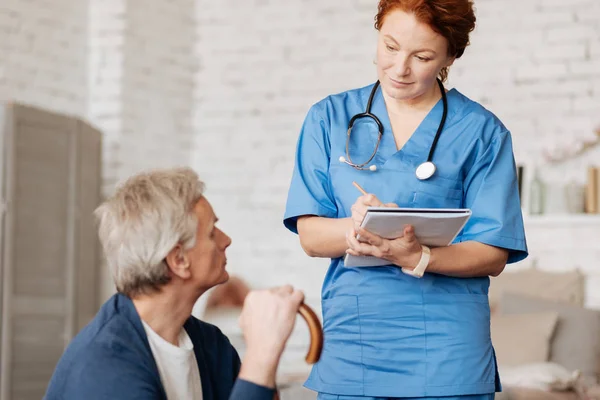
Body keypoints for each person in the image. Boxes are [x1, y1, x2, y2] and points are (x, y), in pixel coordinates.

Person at [283, 1, 528, 399]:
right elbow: (310, 235)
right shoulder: (328, 117)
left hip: (448, 350)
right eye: (390, 46)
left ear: (451, 55)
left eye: (422, 56)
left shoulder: (483, 132)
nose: (399, 68)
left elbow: (493, 252)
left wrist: (417, 257)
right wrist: (359, 225)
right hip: (356, 338)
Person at [45, 167, 304, 400]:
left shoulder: (211, 344)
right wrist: (261, 355)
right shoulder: (105, 368)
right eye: (213, 232)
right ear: (179, 259)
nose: (226, 241)